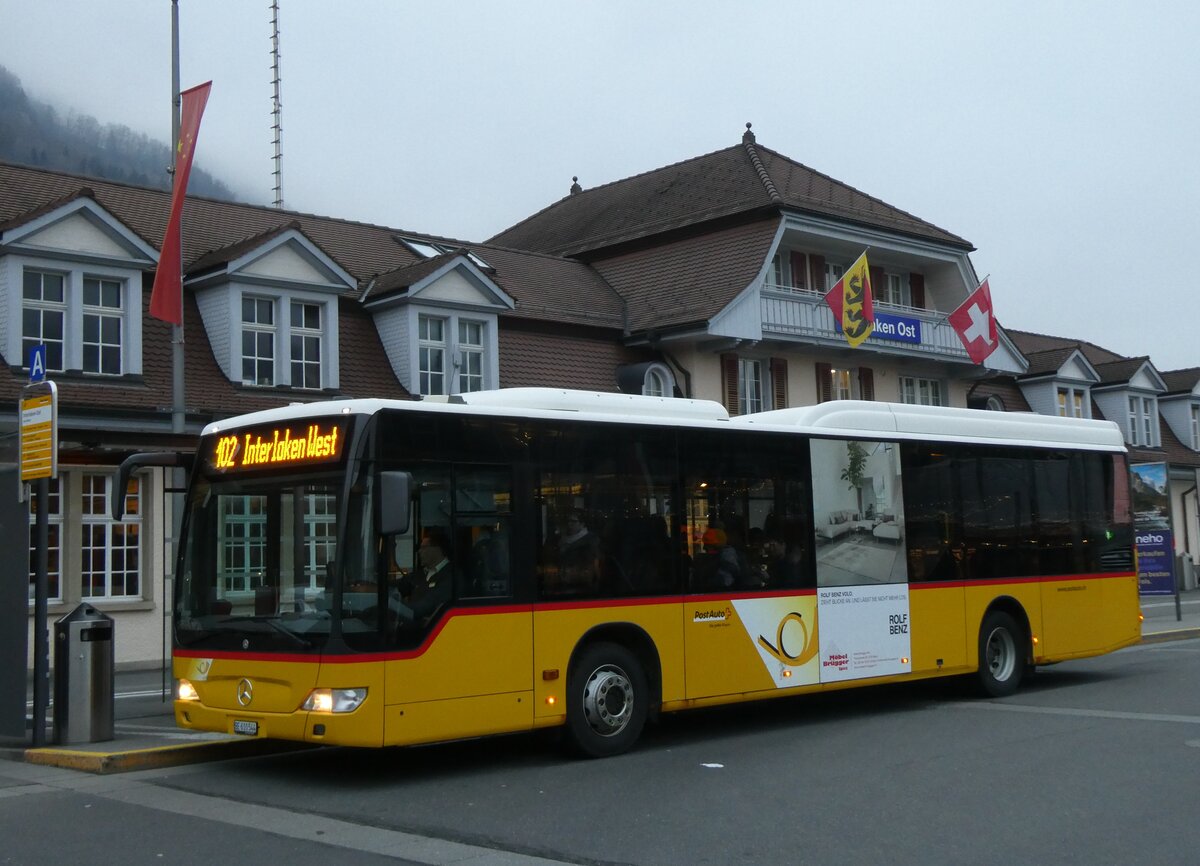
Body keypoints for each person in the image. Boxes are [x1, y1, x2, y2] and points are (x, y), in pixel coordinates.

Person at [392, 527, 454, 626]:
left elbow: (422, 608)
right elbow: (398, 584)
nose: (419, 551)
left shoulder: (451, 576)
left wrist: (391, 605)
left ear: (437, 549)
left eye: (424, 547)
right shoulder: (421, 574)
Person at [558, 509, 600, 592]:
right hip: (564, 580)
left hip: (581, 583)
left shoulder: (591, 540)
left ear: (582, 524)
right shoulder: (562, 538)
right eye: (568, 521)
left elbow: (593, 563)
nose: (569, 524)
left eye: (573, 521)